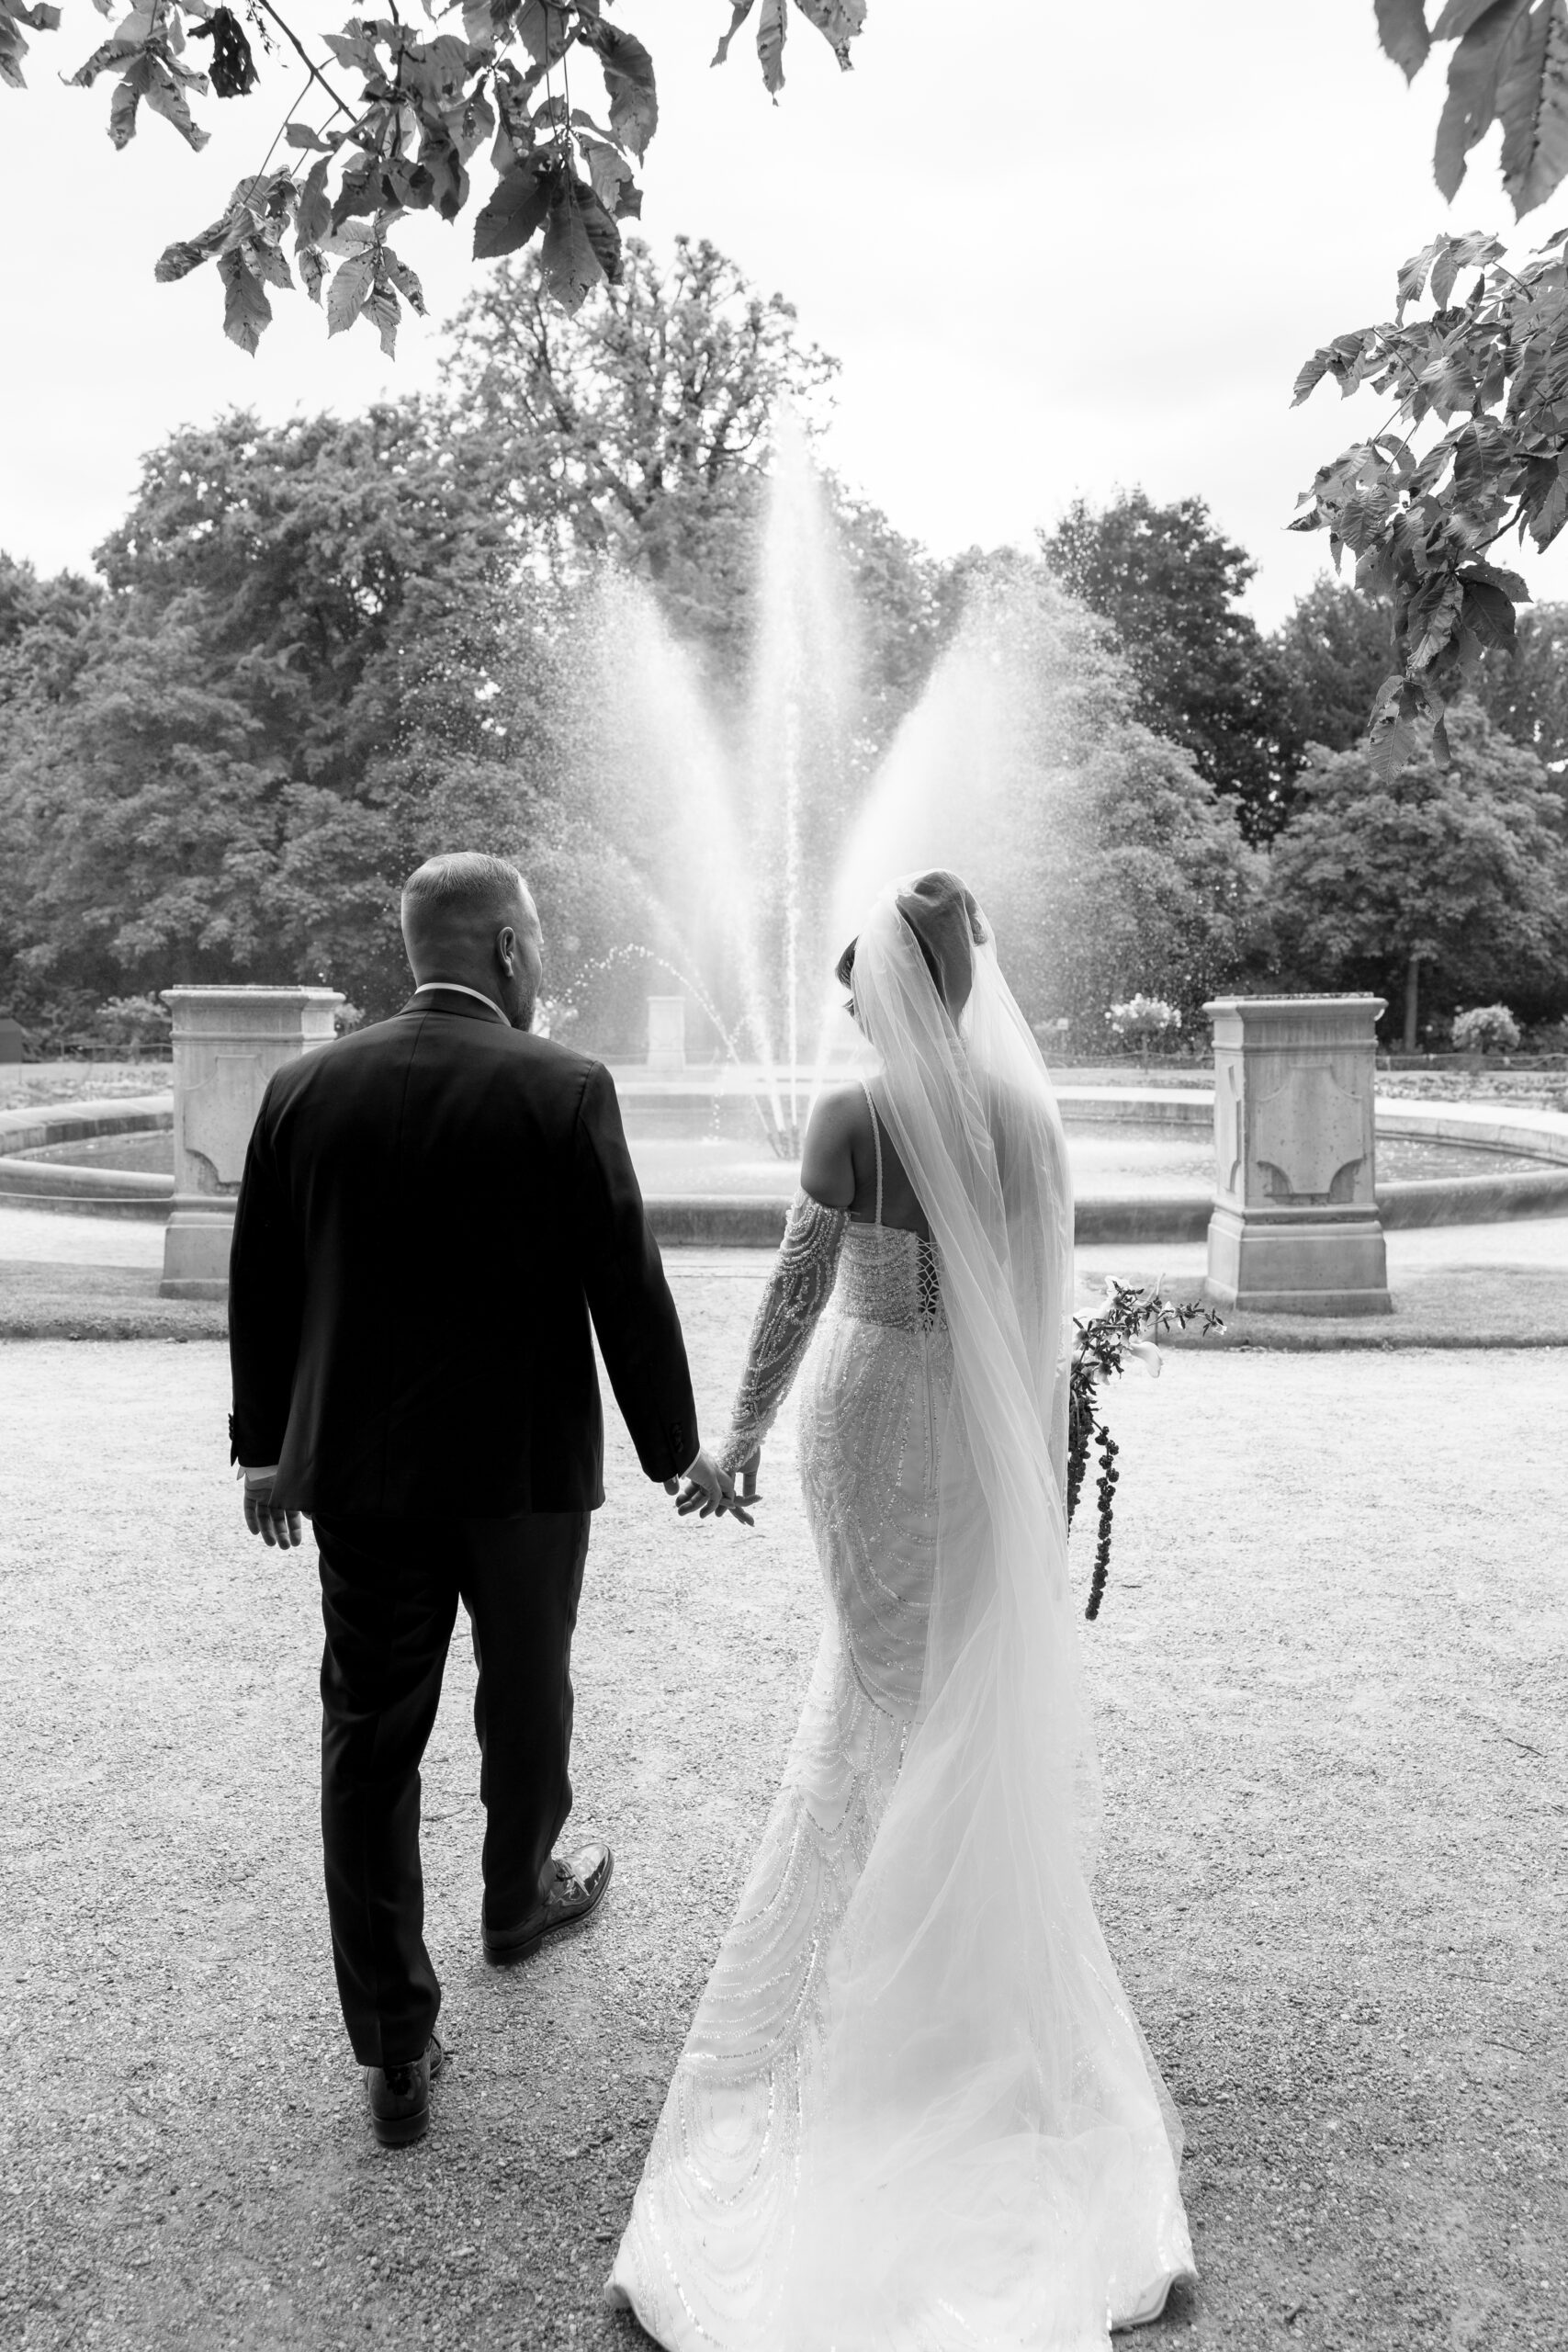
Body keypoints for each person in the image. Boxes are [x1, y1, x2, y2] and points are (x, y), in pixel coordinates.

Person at [608, 870, 1194, 2348]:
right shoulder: (1030, 1119)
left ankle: (865, 1983)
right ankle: (972, 1997)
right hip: (988, 1436)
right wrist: (1042, 1475)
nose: (842, 999)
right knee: (957, 1689)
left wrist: (735, 1438)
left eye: (855, 975)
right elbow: (1045, 1321)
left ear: (891, 984)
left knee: (872, 1684)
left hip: (869, 1422)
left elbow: (799, 1288)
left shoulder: (856, 1119)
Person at [228, 852, 740, 2149]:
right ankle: (518, 1898)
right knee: (528, 1688)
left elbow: (264, 1284)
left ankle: (396, 2048)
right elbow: (627, 1281)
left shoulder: (304, 1087)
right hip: (519, 1474)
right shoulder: (562, 1086)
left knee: (367, 1735)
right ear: (509, 950)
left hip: (357, 1475)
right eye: (542, 944)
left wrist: (261, 1447)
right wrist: (675, 1446)